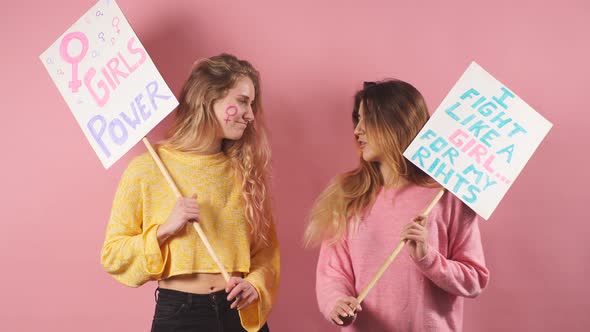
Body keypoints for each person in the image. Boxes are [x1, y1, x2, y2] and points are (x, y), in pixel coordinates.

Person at [101, 53, 279, 332]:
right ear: (209, 98)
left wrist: (254, 285)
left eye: (252, 104)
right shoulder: (148, 169)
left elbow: (266, 253)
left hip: (238, 313)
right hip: (181, 315)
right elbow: (113, 255)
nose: (251, 114)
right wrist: (163, 230)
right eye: (243, 101)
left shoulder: (246, 173)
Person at [304, 80, 489, 331]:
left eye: (366, 119)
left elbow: (475, 279)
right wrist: (337, 302)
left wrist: (427, 257)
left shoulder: (447, 196)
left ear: (395, 123)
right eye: (357, 120)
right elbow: (332, 273)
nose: (357, 130)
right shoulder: (348, 195)